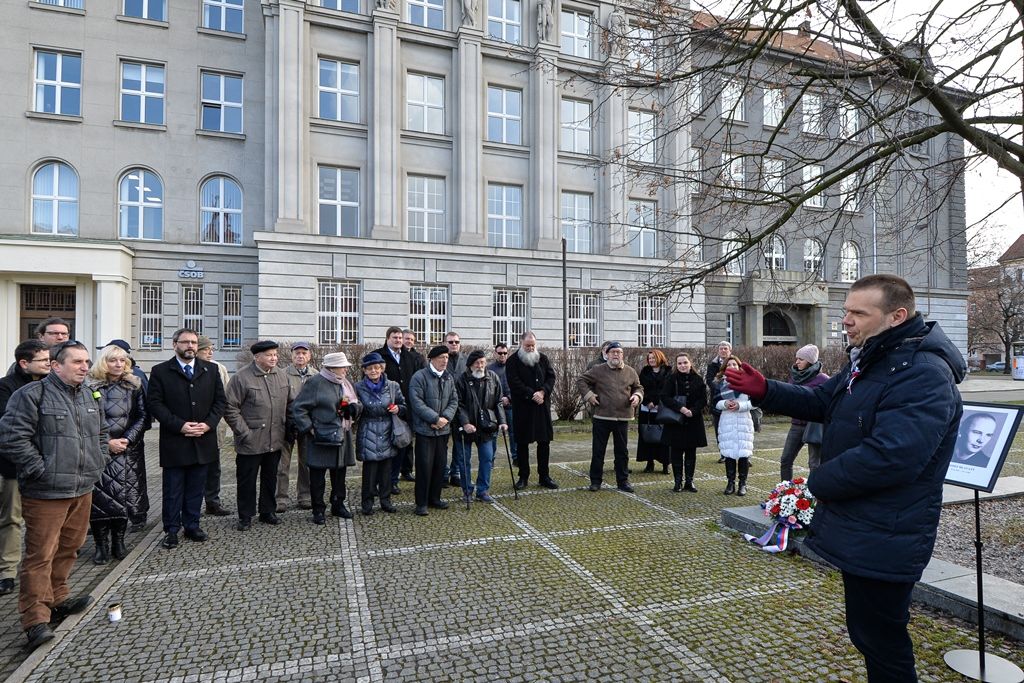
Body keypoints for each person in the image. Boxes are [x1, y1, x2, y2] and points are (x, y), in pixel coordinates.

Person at [725, 274, 966, 682]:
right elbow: (823, 400)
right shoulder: (874, 358)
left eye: (858, 313)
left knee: (883, 641)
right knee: (869, 634)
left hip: (890, 531)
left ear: (896, 316)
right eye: (845, 311)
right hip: (867, 526)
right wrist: (766, 389)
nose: (846, 321)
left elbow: (891, 456)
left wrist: (813, 484)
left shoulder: (922, 373)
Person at [0, 341, 105, 649]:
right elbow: (11, 437)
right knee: (40, 556)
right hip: (46, 492)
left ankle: (58, 599)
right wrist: (39, 468)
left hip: (83, 487)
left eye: (87, 361)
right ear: (56, 365)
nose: (85, 367)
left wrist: (98, 461)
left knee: (69, 548)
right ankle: (35, 619)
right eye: (77, 362)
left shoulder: (89, 394)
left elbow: (100, 433)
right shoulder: (31, 395)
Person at [147, 328, 225, 550]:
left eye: (193, 342)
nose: (190, 346)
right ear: (175, 345)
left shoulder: (210, 370)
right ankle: (171, 529)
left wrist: (208, 424)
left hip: (203, 438)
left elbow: (220, 401)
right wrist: (180, 426)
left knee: (196, 487)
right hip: (175, 440)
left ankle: (192, 525)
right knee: (173, 489)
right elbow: (155, 404)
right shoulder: (160, 371)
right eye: (185, 342)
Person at [86, 344, 150, 564]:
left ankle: (119, 542)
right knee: (100, 501)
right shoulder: (90, 386)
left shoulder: (134, 386)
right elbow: (86, 419)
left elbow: (143, 416)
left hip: (127, 450)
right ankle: (101, 546)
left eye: (122, 360)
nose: (118, 364)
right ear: (104, 362)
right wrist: (107, 442)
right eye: (113, 360)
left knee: (123, 498)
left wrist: (128, 439)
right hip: (100, 450)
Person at [224, 341, 293, 530]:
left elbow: (291, 404)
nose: (274, 358)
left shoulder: (282, 376)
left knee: (271, 477)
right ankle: (245, 516)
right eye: (269, 355)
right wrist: (243, 432)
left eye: (275, 355)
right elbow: (230, 407)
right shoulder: (241, 378)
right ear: (257, 357)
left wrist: (290, 429)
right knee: (247, 480)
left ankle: (267, 511)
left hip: (275, 438)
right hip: (251, 440)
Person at [0, 340, 51, 598]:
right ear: (24, 363)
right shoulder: (6, 388)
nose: (49, 364)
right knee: (11, 519)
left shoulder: (50, 386)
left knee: (40, 522)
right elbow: (12, 431)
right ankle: (7, 571)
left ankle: (38, 571)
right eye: (43, 361)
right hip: (13, 467)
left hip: (44, 467)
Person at [289, 352, 362, 524]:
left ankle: (338, 504)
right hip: (320, 438)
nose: (345, 369)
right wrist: (309, 429)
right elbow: (299, 409)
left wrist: (354, 409)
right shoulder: (315, 383)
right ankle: (318, 510)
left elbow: (357, 403)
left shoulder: (345, 382)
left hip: (342, 435)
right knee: (317, 477)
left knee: (339, 474)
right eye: (342, 366)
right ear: (331, 368)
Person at [577, 342, 643, 492]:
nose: (616, 355)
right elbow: (581, 380)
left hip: (623, 417)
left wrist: (637, 396)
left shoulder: (630, 371)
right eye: (613, 352)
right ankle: (595, 481)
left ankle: (623, 481)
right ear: (606, 354)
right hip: (602, 416)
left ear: (622, 355)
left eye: (619, 352)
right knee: (598, 451)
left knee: (622, 452)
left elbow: (638, 387)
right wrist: (589, 396)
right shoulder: (598, 370)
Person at [407, 345, 459, 516]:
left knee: (439, 465)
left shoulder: (448, 377)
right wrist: (434, 419)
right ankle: (421, 503)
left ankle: (435, 498)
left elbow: (454, 400)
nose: (445, 361)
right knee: (424, 466)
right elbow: (416, 402)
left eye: (447, 358)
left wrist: (445, 419)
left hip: (443, 431)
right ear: (432, 359)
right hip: (425, 430)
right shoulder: (419, 377)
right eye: (441, 358)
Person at [505, 332, 558, 490]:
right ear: (521, 343)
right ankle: (523, 476)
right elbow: (514, 382)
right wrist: (531, 394)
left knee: (544, 443)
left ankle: (544, 476)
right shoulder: (513, 361)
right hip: (523, 408)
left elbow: (551, 377)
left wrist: (542, 392)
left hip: (542, 406)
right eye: (528, 345)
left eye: (533, 345)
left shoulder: (542, 358)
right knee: (522, 443)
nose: (530, 348)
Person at [354, 352, 406, 515]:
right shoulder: (357, 387)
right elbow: (355, 409)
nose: (374, 371)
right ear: (364, 370)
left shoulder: (392, 386)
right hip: (368, 428)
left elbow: (403, 405)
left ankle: (385, 500)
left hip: (387, 429)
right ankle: (367, 503)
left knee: (386, 470)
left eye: (377, 367)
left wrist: (398, 409)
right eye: (370, 368)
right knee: (370, 470)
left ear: (382, 368)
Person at [373, 327, 424, 491]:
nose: (398, 341)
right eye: (395, 337)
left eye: (400, 338)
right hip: (383, 409)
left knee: (401, 444)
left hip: (404, 408)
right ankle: (378, 481)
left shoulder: (410, 357)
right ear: (387, 338)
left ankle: (393, 480)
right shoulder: (379, 356)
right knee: (382, 447)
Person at [455, 350, 508, 503]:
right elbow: (458, 404)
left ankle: (483, 490)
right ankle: (467, 490)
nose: (480, 366)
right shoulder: (461, 379)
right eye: (477, 363)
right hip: (465, 427)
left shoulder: (493, 378)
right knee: (464, 461)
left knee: (487, 458)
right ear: (470, 365)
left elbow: (498, 402)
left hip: (486, 426)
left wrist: (502, 421)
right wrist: (465, 423)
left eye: (483, 362)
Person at [779, 344, 829, 482]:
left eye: (801, 359)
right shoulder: (794, 377)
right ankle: (784, 491)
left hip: (814, 426)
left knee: (814, 464)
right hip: (796, 425)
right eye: (797, 358)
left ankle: (815, 495)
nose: (797, 362)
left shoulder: (823, 379)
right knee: (785, 459)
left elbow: (830, 401)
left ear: (810, 361)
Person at [660, 353, 708, 492]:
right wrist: (680, 408)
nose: (682, 366)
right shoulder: (671, 378)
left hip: (693, 420)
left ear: (690, 363)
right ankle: (677, 481)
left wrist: (693, 410)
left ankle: (689, 481)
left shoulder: (698, 379)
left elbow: (703, 399)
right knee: (676, 452)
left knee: (691, 453)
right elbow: (664, 397)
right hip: (676, 420)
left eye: (685, 362)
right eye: (680, 363)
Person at [196, 336, 232, 518]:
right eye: (206, 349)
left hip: (214, 427)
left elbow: (225, 398)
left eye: (212, 349)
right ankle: (191, 504)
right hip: (191, 428)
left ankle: (212, 502)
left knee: (213, 467)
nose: (210, 352)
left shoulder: (219, 368)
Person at [278, 341, 315, 511]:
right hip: (286, 424)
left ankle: (305, 496)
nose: (300, 356)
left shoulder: (316, 375)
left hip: (307, 425)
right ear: (291, 355)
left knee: (306, 463)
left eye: (304, 353)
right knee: (282, 463)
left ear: (309, 356)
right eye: (297, 353)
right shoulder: (282, 374)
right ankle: (280, 499)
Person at [714, 356, 754, 496]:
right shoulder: (720, 383)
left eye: (734, 364)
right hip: (727, 420)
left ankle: (743, 484)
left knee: (744, 454)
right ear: (725, 369)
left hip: (743, 420)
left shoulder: (748, 382)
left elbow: (754, 403)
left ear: (739, 367)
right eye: (729, 365)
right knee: (729, 454)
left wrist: (740, 405)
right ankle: (730, 483)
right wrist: (725, 404)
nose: (732, 366)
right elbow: (715, 402)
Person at [637, 349, 671, 474]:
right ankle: (649, 462)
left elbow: (668, 389)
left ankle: (665, 464)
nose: (651, 360)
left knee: (664, 436)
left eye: (653, 358)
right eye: (649, 358)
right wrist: (647, 401)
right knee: (647, 435)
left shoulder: (668, 372)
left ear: (659, 358)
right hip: (647, 408)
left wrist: (657, 402)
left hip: (663, 408)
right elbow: (640, 388)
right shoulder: (644, 372)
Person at [443, 331, 468, 487]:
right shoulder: (439, 359)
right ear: (445, 343)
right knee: (443, 443)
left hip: (461, 408)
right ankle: (443, 473)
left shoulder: (466, 361)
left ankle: (456, 472)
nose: (453, 344)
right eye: (450, 342)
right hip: (444, 407)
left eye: (456, 342)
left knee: (459, 443)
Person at [486, 343, 517, 465]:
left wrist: (509, 398)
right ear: (495, 353)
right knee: (493, 434)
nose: (502, 355)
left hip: (510, 405)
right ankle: (491, 460)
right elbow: (487, 389)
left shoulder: (513, 368)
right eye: (500, 353)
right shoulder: (489, 369)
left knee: (513, 433)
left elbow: (517, 386)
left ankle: (516, 458)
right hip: (494, 407)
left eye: (505, 353)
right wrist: (498, 400)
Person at [705, 340, 732, 463]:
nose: (723, 350)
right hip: (718, 400)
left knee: (734, 429)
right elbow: (709, 380)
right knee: (719, 429)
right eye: (721, 348)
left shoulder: (735, 363)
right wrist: (721, 390)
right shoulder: (713, 365)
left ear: (730, 350)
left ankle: (741, 455)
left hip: (734, 400)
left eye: (725, 348)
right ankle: (723, 454)